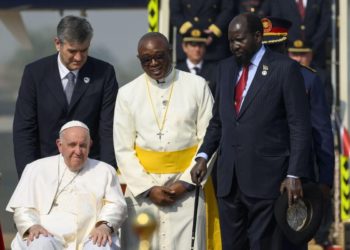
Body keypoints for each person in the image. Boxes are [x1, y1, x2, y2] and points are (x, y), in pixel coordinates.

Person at [191, 13, 312, 250]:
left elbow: (299, 126)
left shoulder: (284, 69)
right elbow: (219, 122)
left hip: (267, 180)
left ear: (258, 37)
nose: (234, 46)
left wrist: (295, 173)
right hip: (229, 180)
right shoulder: (224, 69)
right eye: (230, 41)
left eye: (240, 40)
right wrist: (203, 156)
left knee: (262, 244)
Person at [113, 32, 215, 250]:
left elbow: (210, 138)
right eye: (146, 59)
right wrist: (149, 189)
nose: (153, 63)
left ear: (170, 53)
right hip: (143, 191)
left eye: (159, 56)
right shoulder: (127, 94)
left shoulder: (197, 86)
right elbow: (123, 149)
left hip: (187, 187)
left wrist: (186, 183)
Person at [13, 15, 119, 177]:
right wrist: (28, 176)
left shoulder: (104, 74)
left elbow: (108, 129)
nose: (78, 57)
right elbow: (25, 129)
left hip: (90, 170)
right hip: (45, 170)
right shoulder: (35, 74)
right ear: (58, 44)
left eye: (84, 51)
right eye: (72, 51)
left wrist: (107, 174)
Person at [6, 121, 127, 250]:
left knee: (101, 245)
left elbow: (116, 206)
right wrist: (32, 226)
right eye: (72, 145)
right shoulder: (36, 168)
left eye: (83, 145)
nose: (78, 151)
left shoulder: (105, 171)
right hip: (45, 235)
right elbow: (23, 208)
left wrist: (104, 226)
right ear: (60, 145)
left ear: (90, 145)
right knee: (39, 242)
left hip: (89, 237)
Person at [260, 0, 331, 68]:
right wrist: (288, 49)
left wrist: (312, 48)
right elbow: (278, 25)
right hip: (288, 54)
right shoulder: (279, 1)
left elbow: (325, 23)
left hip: (315, 57)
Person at [176, 27, 217, 95]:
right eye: (193, 45)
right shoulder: (177, 71)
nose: (197, 49)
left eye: (200, 45)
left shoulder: (215, 71)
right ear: (184, 47)